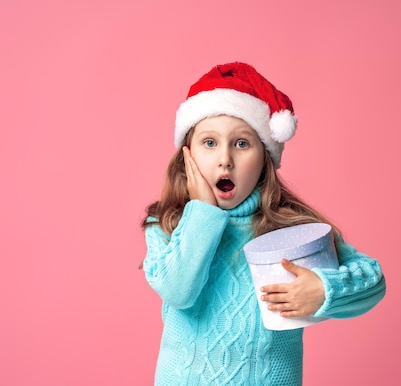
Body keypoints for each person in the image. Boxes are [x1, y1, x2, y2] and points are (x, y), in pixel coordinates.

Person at [141, 62, 386, 386]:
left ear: (265, 159)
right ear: (187, 156)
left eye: (242, 143)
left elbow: (373, 280)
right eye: (209, 143)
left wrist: (325, 289)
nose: (224, 158)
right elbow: (179, 292)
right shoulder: (166, 225)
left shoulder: (291, 232)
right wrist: (201, 211)